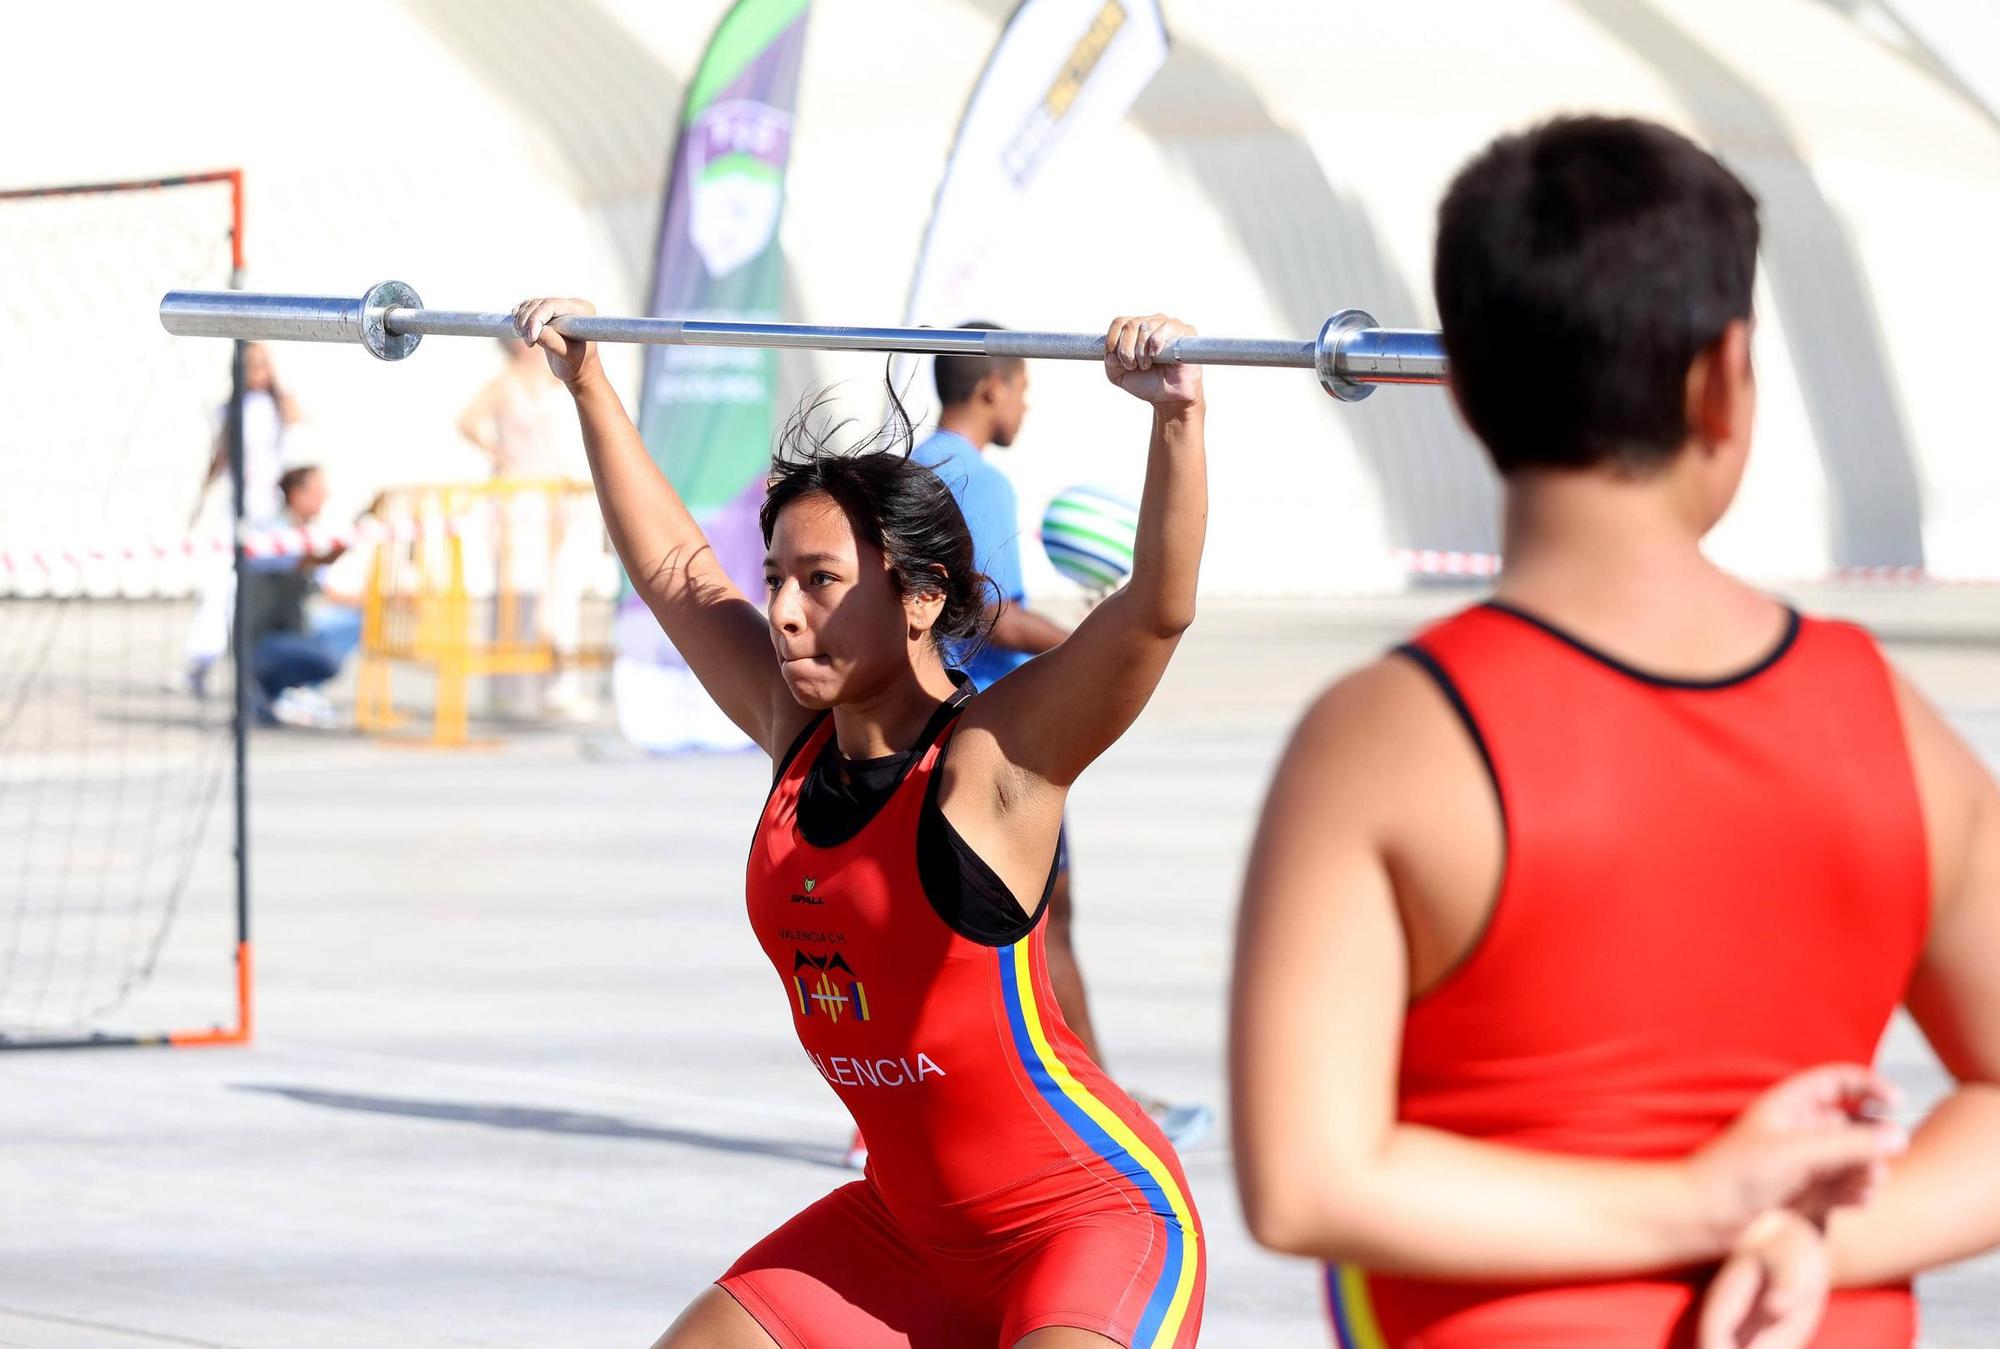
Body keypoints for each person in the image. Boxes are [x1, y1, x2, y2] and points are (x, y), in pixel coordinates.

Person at [1229, 114, 2000, 1348]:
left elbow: (1307, 1178)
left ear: (1466, 390)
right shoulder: (1882, 718)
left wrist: (1692, 1203)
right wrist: (1811, 1231)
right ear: (1722, 380)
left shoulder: (1382, 737)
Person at [513, 294, 1208, 1348]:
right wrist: (588, 382)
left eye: (823, 581)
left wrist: (1172, 415)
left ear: (921, 597)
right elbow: (676, 575)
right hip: (903, 1234)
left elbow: (1153, 608)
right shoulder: (795, 729)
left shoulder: (991, 764)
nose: (785, 610)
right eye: (778, 578)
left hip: (1088, 1226)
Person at [909, 329, 1213, 1160]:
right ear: (993, 387)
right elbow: (986, 608)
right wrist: (1084, 646)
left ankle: (910, 1111)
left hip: (934, 733)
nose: (1027, 402)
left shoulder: (914, 468)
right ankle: (1108, 1111)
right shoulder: (979, 478)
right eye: (1023, 386)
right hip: (1007, 737)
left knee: (955, 934)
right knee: (1049, 925)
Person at [459, 335, 598, 720]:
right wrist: (500, 456)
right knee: (518, 591)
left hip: (559, 496)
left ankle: (559, 687)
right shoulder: (505, 383)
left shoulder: (558, 381)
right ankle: (509, 689)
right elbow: (467, 421)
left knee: (560, 592)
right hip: (518, 499)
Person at [182, 341, 301, 695]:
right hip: (238, 507)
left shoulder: (280, 407)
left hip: (270, 509)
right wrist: (201, 503)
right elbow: (219, 457)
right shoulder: (231, 410)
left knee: (273, 587)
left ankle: (270, 670)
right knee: (221, 586)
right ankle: (202, 660)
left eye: (264, 366)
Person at [245, 465, 349, 729]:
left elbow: (326, 587)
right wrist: (330, 553)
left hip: (287, 630)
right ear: (296, 494)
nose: (325, 496)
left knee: (346, 624)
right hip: (260, 639)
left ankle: (282, 693)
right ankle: (279, 692)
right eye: (318, 489)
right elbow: (291, 560)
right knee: (327, 658)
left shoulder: (306, 533)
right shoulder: (275, 531)